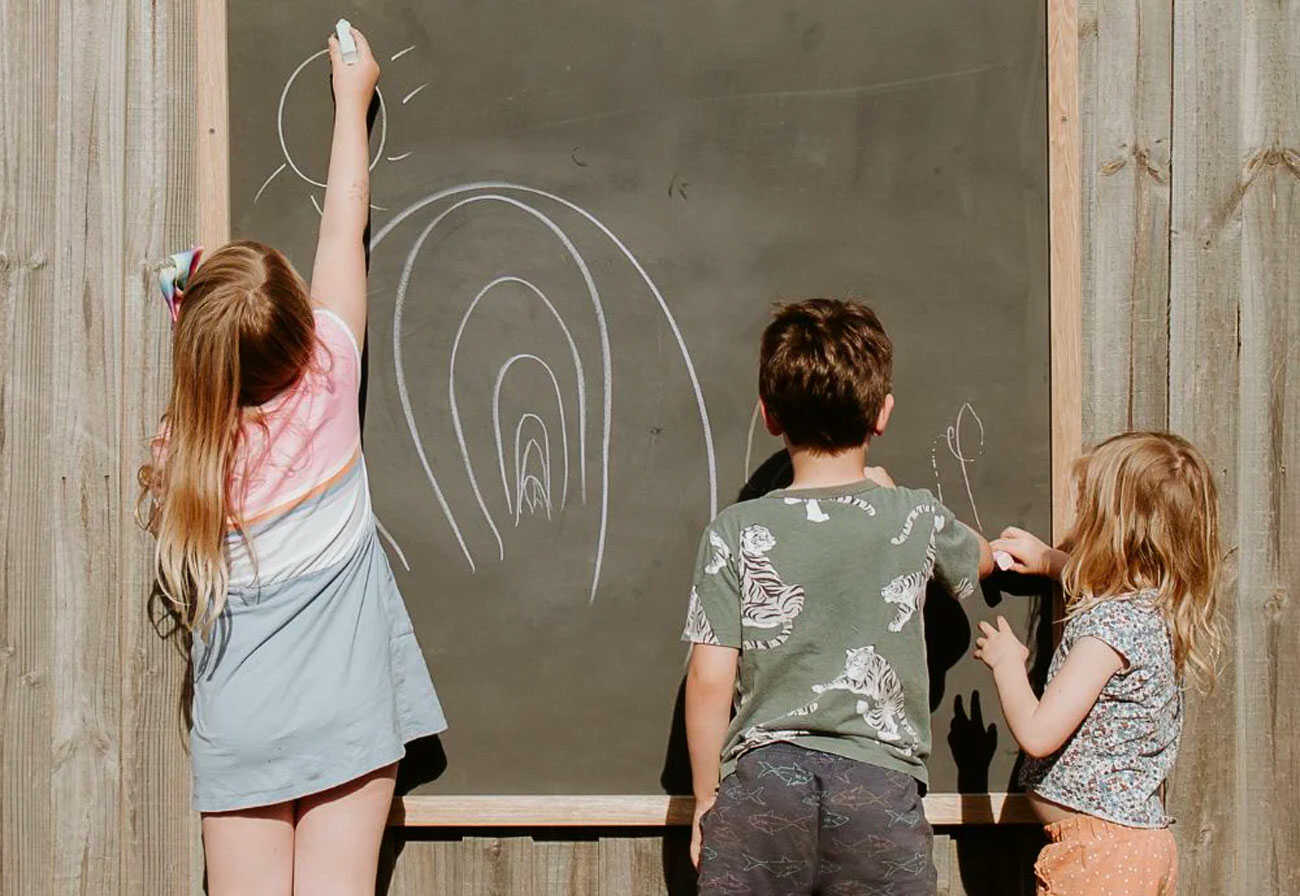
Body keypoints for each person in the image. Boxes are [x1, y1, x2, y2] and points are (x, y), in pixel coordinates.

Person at [137, 26, 445, 895]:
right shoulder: (329, 380)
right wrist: (354, 101)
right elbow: (344, 229)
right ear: (303, 338)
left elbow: (205, 365)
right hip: (344, 716)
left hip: (240, 728)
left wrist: (189, 310)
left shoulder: (181, 455)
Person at [683, 298, 994, 895]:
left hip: (761, 787)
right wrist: (898, 497)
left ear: (770, 415)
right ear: (882, 415)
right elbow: (978, 558)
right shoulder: (913, 516)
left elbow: (709, 677)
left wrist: (705, 800)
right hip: (879, 786)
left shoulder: (734, 531)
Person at [975, 431, 1223, 896]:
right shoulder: (1153, 607)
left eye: (1088, 508)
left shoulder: (1110, 628)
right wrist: (1051, 561)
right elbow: (1109, 585)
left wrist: (1009, 663)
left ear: (1112, 526)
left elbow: (1038, 734)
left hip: (1100, 859)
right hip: (1132, 850)